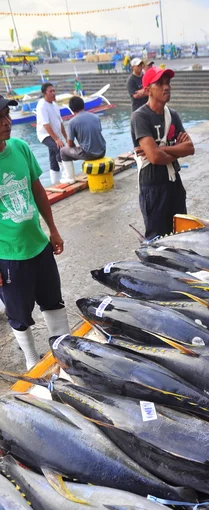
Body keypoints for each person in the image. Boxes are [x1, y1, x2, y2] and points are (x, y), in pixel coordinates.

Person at [0, 94, 69, 371]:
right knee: (19, 313)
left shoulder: (19, 147)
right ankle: (31, 359)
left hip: (38, 245)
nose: (6, 122)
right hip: (8, 255)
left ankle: (65, 351)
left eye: (6, 115)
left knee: (53, 301)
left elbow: (38, 190)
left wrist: (52, 229)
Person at [131, 67, 195, 241]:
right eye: (159, 83)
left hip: (174, 183)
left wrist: (163, 149)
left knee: (181, 233)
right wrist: (175, 150)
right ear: (147, 90)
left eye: (167, 83)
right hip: (152, 186)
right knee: (158, 240)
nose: (166, 87)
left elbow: (190, 148)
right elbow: (154, 158)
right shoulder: (140, 117)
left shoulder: (172, 115)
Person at [60, 95, 106, 183]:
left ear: (71, 109)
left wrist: (74, 147)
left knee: (63, 151)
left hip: (89, 154)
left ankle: (70, 178)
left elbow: (70, 144)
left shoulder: (72, 122)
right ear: (83, 105)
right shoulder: (95, 117)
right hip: (102, 151)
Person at [36, 82, 68, 185]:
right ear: (44, 93)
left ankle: (55, 182)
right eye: (51, 91)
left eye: (54, 91)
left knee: (53, 157)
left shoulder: (54, 104)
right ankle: (66, 175)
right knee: (60, 149)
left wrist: (66, 137)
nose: (53, 93)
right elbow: (46, 124)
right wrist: (56, 139)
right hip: (45, 135)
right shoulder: (41, 105)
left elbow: (60, 122)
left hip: (55, 134)